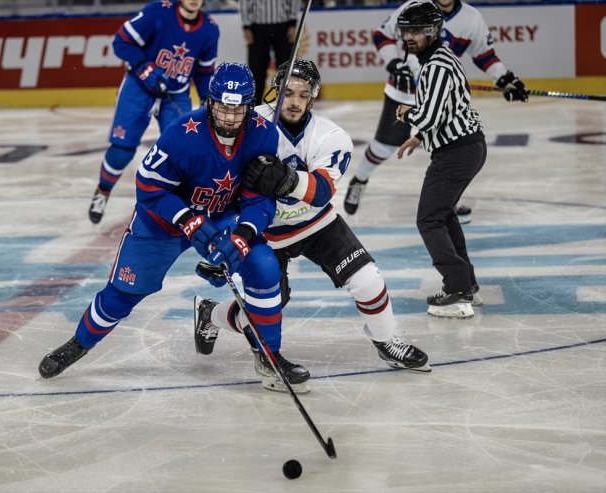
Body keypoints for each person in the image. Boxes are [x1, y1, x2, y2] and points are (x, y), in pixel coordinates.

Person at [40, 63, 311, 391]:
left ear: (249, 106)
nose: (229, 118)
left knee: (264, 266)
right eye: (223, 108)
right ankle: (79, 343)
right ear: (210, 103)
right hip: (164, 223)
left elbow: (259, 197)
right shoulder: (182, 134)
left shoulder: (263, 132)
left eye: (238, 109)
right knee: (122, 294)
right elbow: (149, 187)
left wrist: (243, 235)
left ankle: (269, 355)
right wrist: (188, 220)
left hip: (222, 214)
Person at [193, 59, 431, 385]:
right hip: (262, 232)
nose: (293, 101)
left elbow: (320, 193)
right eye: (287, 92)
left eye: (303, 95)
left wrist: (285, 179)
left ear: (313, 97)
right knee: (265, 307)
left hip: (316, 223)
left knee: (368, 280)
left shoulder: (331, 137)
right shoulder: (248, 124)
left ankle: (386, 340)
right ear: (275, 92)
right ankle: (211, 313)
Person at [343, 0, 527, 224]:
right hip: (403, 92)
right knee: (386, 145)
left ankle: (448, 201)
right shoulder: (414, 7)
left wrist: (504, 78)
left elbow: (484, 55)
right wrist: (393, 63)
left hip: (440, 93)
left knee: (450, 147)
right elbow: (382, 35)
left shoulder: (472, 18)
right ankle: (360, 179)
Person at [393, 2, 486, 319]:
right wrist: (418, 136)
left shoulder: (436, 65)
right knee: (443, 215)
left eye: (415, 30)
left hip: (458, 152)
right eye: (405, 30)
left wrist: (408, 115)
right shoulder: (437, 59)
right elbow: (440, 112)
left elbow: (429, 115)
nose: (409, 36)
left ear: (432, 30)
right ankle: (467, 286)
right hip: (461, 149)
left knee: (429, 219)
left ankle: (458, 290)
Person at [88, 0, 219, 224]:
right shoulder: (158, 11)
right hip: (139, 87)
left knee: (183, 150)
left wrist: (207, 98)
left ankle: (178, 207)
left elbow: (205, 70)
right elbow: (122, 42)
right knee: (122, 150)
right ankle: (103, 190)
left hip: (176, 94)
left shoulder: (209, 28)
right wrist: (143, 66)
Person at [239, 0, 301, 103]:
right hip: (258, 27)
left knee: (286, 69)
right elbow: (245, 2)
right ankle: (255, 105)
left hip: (283, 26)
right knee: (257, 69)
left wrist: (293, 23)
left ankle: (286, 103)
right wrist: (246, 26)